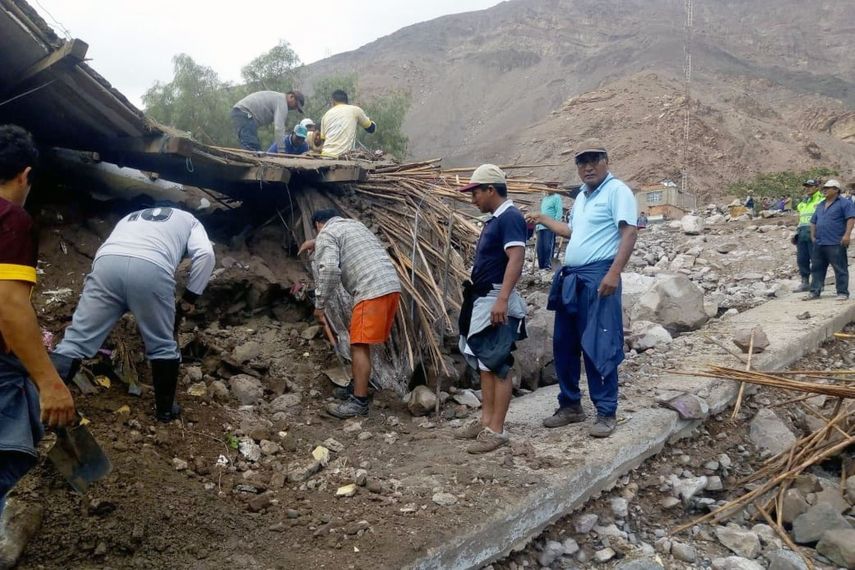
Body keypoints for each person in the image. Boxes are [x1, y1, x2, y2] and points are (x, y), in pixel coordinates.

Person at [50, 202, 215, 422]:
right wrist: (189, 298)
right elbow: (205, 254)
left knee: (75, 341)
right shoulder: (191, 221)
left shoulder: (131, 216)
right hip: (151, 268)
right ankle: (165, 411)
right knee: (163, 346)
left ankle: (43, 405)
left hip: (106, 265)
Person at [527, 139, 637, 438]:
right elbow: (572, 233)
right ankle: (570, 405)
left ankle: (606, 411)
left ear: (606, 160)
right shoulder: (582, 198)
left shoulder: (617, 191)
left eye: (593, 160)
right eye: (582, 161)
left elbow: (629, 232)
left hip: (599, 276)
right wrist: (543, 219)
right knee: (564, 343)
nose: (587, 166)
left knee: (599, 343)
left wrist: (614, 273)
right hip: (572, 278)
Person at [0, 125, 76, 521]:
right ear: (25, 175)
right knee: (7, 463)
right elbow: (9, 307)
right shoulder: (11, 218)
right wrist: (49, 384)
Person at [298, 210, 401, 418]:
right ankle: (358, 387)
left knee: (358, 344)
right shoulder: (355, 226)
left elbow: (329, 270)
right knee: (362, 341)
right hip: (390, 286)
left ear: (318, 224)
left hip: (370, 290)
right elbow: (337, 242)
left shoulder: (327, 233)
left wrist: (320, 305)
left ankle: (359, 402)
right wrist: (316, 242)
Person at [453, 165, 527, 454]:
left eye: (475, 193)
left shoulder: (509, 217)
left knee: (498, 363)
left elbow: (516, 258)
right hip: (484, 297)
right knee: (485, 361)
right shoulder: (496, 219)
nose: (473, 199)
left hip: (496, 296)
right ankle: (485, 421)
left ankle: (497, 429)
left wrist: (502, 299)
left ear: (491, 190)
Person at [805, 179, 855, 301]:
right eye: (824, 188)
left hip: (835, 242)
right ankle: (815, 291)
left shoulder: (844, 203)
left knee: (840, 268)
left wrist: (847, 235)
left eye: (828, 188)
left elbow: (851, 218)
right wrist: (813, 237)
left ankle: (842, 292)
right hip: (820, 242)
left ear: (836, 190)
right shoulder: (821, 204)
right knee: (817, 268)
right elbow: (813, 221)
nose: (825, 190)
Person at [230, 90, 305, 151]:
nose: (295, 108)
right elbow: (279, 128)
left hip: (241, 113)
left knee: (252, 148)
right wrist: (281, 151)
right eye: (296, 105)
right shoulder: (283, 103)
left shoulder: (278, 97)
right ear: (291, 96)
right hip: (244, 113)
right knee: (252, 148)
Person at [316, 90, 376, 158]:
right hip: (343, 156)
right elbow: (371, 129)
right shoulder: (355, 110)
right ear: (346, 101)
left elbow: (323, 139)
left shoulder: (326, 115)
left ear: (333, 101)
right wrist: (371, 121)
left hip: (325, 155)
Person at [794, 180, 824, 292]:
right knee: (802, 259)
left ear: (816, 187)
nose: (807, 188)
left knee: (816, 259)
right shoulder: (803, 202)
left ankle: (818, 283)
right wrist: (796, 232)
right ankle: (805, 282)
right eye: (806, 186)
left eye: (810, 186)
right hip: (802, 233)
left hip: (815, 232)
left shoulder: (821, 200)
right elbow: (801, 219)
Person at [536, 187, 563, 269]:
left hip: (550, 226)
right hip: (541, 226)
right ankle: (541, 266)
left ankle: (547, 265)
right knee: (540, 247)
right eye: (547, 187)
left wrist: (555, 225)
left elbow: (559, 212)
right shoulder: (545, 199)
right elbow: (542, 212)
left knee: (548, 246)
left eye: (550, 187)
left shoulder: (557, 197)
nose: (548, 189)